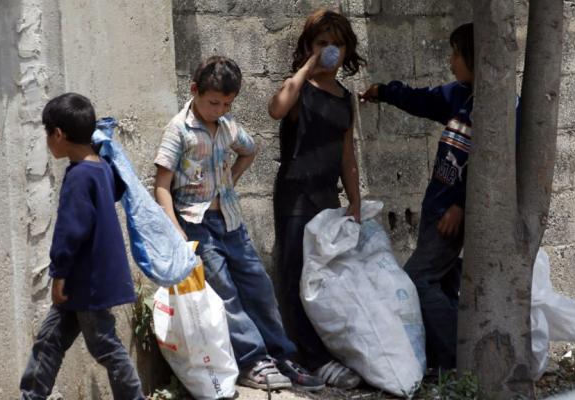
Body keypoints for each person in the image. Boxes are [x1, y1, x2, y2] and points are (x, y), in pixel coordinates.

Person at [153, 56, 324, 391]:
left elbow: (250, 149)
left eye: (227, 104)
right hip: (197, 224)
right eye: (213, 102)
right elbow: (161, 186)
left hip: (231, 221)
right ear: (194, 90)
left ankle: (282, 356)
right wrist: (176, 230)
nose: (219, 110)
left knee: (259, 286)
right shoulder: (178, 130)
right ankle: (252, 361)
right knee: (226, 294)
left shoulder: (227, 125)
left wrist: (230, 180)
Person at [360, 22, 473, 371]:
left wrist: (461, 205)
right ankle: (446, 358)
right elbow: (422, 100)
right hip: (436, 209)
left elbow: (492, 166)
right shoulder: (459, 97)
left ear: (475, 57)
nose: (451, 60)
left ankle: (456, 360)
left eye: (456, 54)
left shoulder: (499, 109)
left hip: (450, 215)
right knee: (441, 281)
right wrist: (383, 91)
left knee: (417, 280)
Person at [19, 93, 144, 399]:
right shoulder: (101, 167)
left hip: (86, 283)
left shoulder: (79, 176)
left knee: (105, 346)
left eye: (47, 134)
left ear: (58, 134)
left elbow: (70, 231)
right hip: (88, 279)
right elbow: (117, 189)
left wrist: (58, 275)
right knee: (49, 340)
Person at [268, 8, 364, 389]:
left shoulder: (344, 99)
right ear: (309, 46)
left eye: (336, 44)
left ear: (346, 50)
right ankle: (310, 358)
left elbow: (347, 155)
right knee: (293, 273)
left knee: (323, 279)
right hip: (294, 194)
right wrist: (309, 66)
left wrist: (354, 201)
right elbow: (276, 108)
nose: (330, 50)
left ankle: (324, 351)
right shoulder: (298, 89)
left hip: (326, 197)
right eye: (322, 43)